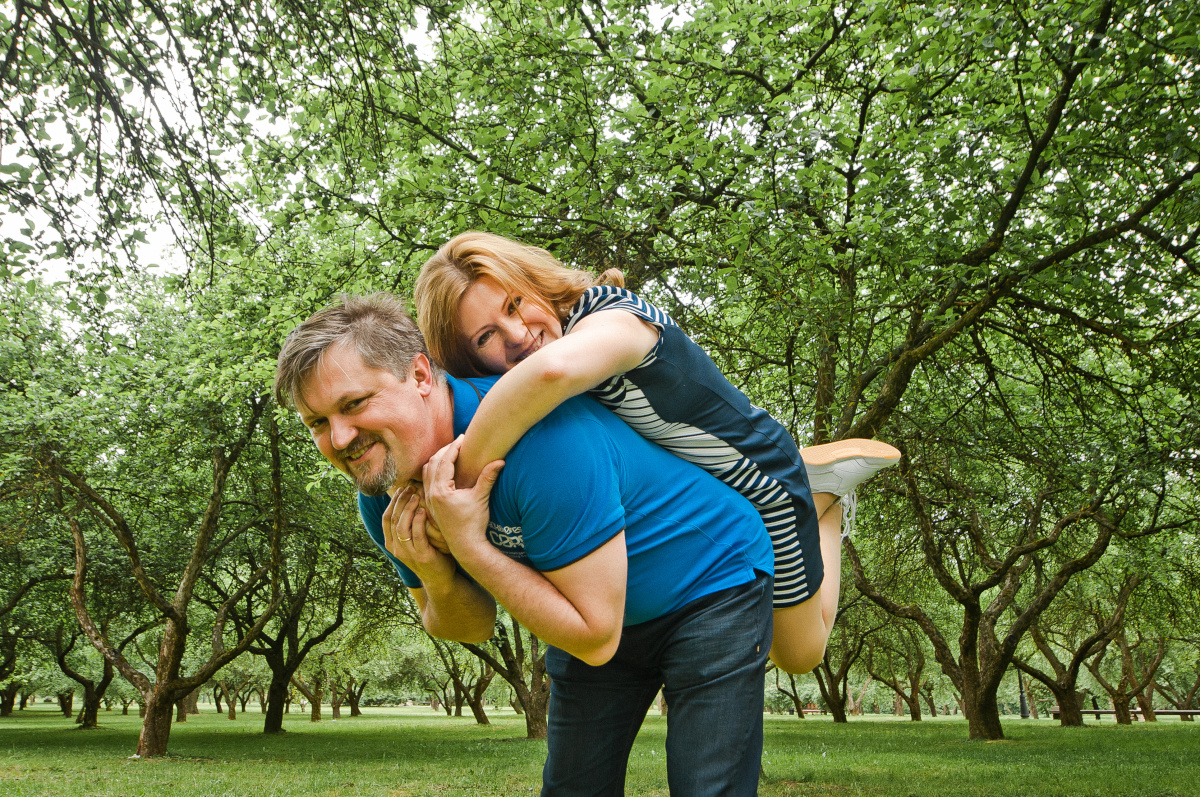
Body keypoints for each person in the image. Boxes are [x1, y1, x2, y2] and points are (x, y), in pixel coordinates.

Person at [274, 294, 776, 796]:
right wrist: (435, 573)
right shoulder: (385, 488)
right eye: (317, 423)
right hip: (584, 600)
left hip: (711, 580)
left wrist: (469, 547)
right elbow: (471, 626)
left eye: (354, 404)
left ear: (422, 377)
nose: (339, 439)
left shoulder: (542, 442)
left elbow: (596, 638)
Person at [414, 231, 900, 674]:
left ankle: (826, 501)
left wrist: (456, 488)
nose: (517, 334)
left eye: (515, 303)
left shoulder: (612, 314)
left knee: (800, 654)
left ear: (534, 280)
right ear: (469, 361)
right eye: (485, 337)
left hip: (762, 480)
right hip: (706, 497)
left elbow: (551, 374)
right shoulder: (525, 402)